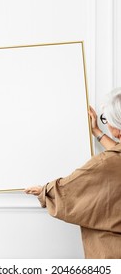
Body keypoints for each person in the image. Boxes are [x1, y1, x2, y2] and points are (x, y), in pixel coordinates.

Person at [25, 87, 121, 259]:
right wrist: (97, 132)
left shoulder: (105, 163)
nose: (105, 123)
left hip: (112, 252)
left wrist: (44, 191)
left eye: (106, 119)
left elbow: (68, 190)